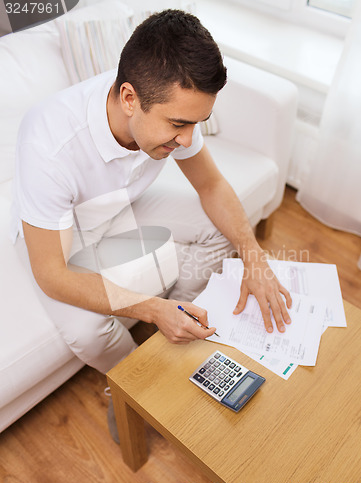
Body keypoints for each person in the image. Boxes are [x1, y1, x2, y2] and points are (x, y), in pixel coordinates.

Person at [12, 9, 291, 438]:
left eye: (195, 123)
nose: (187, 139)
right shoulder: (48, 142)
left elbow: (213, 186)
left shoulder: (167, 107)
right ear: (129, 99)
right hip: (61, 236)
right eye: (178, 124)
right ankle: (128, 386)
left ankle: (171, 337)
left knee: (225, 232)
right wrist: (152, 308)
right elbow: (51, 274)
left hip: (121, 205)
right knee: (88, 330)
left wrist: (254, 259)